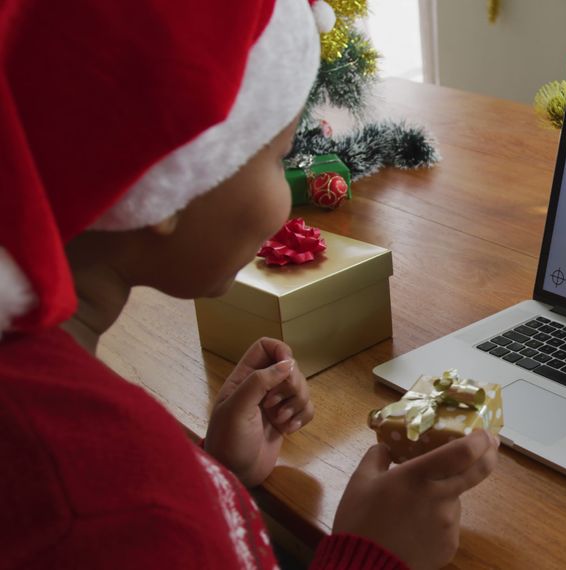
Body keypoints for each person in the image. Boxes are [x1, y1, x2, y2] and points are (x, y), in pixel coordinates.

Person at [0, 0, 498, 568]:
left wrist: (216, 470)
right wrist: (373, 554)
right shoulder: (115, 504)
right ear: (174, 170)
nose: (287, 200)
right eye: (279, 157)